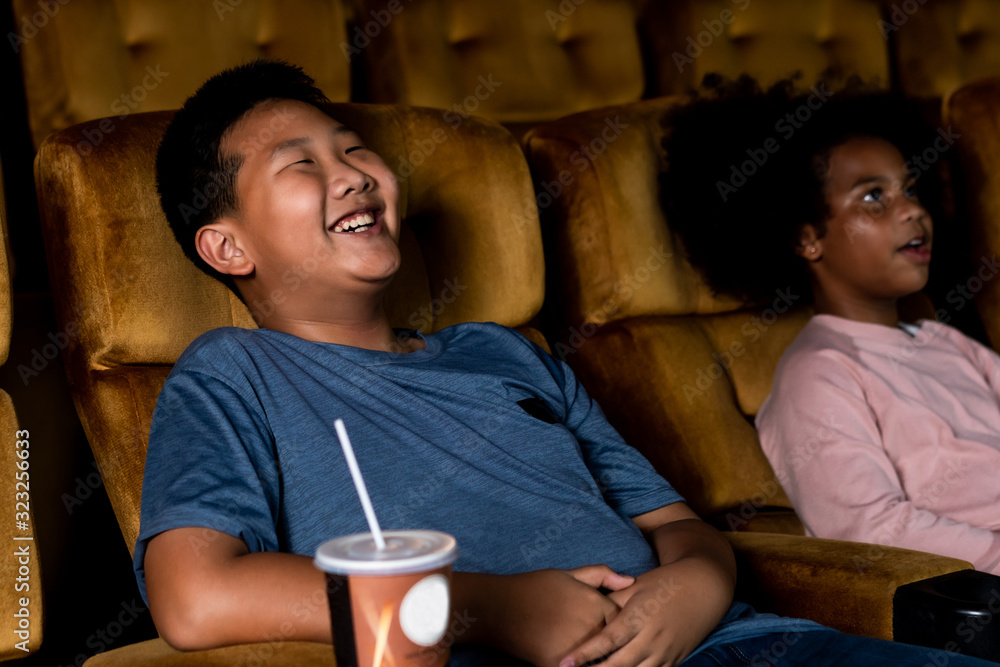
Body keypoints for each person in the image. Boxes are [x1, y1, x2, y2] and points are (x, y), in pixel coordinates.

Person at [136, 60, 998, 666]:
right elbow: (195, 599)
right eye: (302, 165)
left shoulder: (503, 351)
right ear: (226, 244)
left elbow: (676, 524)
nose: (354, 174)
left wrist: (695, 584)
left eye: (353, 148)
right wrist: (495, 608)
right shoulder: (231, 372)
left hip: (723, 637)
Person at [660, 76, 1000, 577]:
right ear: (806, 239)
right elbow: (871, 531)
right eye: (872, 198)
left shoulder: (939, 338)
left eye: (909, 188)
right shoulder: (818, 374)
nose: (913, 209)